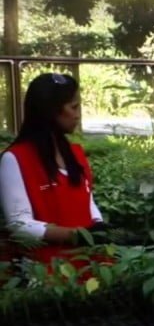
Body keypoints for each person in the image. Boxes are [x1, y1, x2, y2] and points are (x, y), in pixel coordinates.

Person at [0, 73, 108, 266]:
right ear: (51, 111)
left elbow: (87, 200)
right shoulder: (15, 159)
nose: (78, 114)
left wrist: (99, 226)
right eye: (73, 107)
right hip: (47, 273)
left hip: (90, 264)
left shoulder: (76, 154)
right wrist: (76, 235)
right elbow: (19, 224)